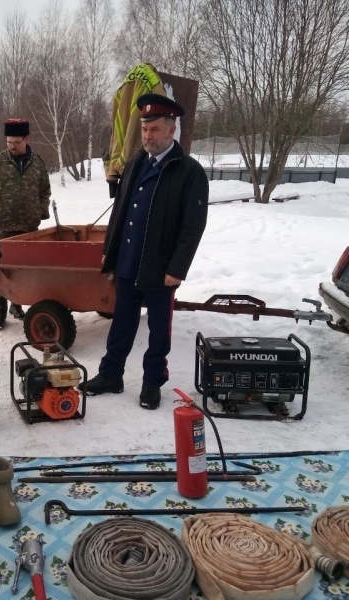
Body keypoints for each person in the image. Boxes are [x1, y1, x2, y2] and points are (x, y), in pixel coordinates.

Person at [79, 93, 208, 410]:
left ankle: (152, 382)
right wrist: (109, 251)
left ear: (171, 129)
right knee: (121, 323)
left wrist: (177, 269)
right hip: (127, 262)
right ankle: (111, 375)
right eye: (144, 129)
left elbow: (193, 227)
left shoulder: (189, 172)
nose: (147, 136)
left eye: (154, 129)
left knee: (158, 331)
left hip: (160, 268)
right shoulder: (136, 162)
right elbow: (120, 210)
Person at [0, 118, 51, 329]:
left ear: (26, 139)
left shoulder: (38, 163)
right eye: (9, 142)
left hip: (28, 228)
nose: (12, 146)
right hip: (2, 227)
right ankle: (0, 310)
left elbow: (45, 191)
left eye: (16, 142)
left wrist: (41, 211)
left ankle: (17, 304)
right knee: (0, 268)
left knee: (24, 269)